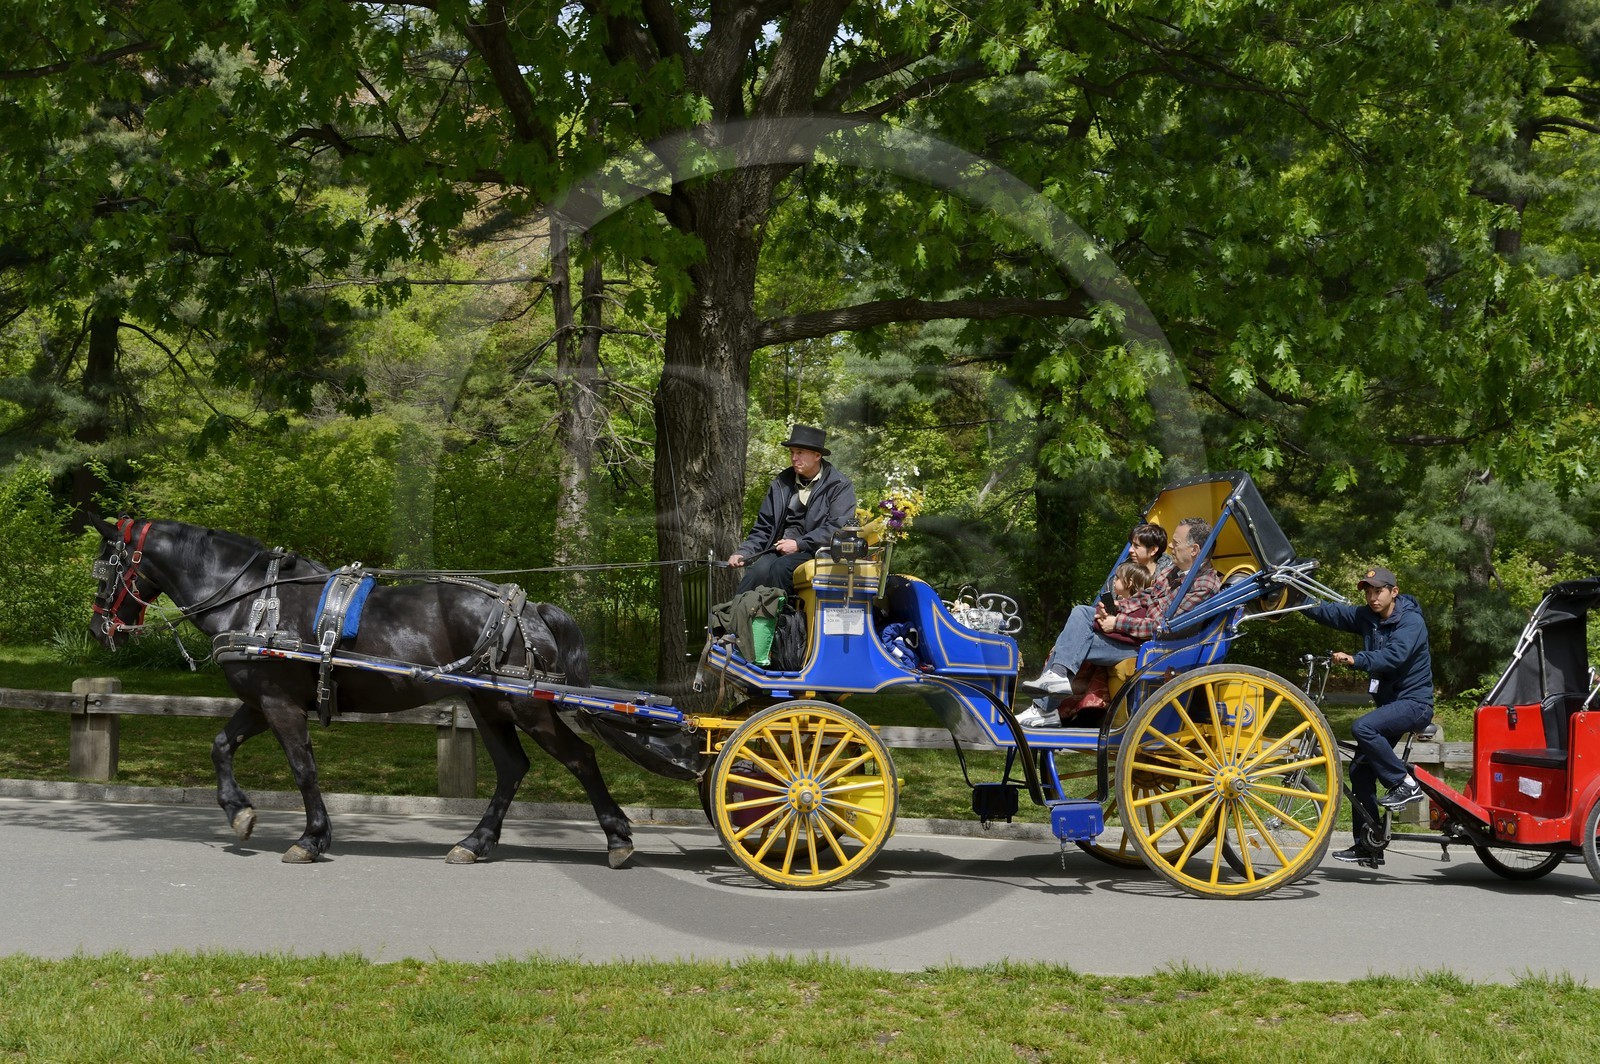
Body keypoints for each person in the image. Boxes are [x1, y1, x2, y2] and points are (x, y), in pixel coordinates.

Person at [1016, 517, 1222, 727]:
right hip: (1138, 637)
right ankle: (1055, 681)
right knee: (1082, 613)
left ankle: (1043, 709)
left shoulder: (1205, 584)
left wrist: (1117, 623)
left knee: (1072, 643)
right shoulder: (1174, 571)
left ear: (1195, 549)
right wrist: (1113, 609)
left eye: (1176, 543)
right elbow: (1146, 598)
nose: (1170, 546)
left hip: (1155, 649)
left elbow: (1161, 626)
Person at [1305, 565, 1434, 869]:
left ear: (1394, 592)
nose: (1373, 597)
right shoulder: (1368, 617)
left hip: (1414, 704)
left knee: (1362, 727)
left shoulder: (1411, 621)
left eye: (1379, 591)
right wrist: (1296, 600)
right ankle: (1368, 844)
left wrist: (1356, 659)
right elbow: (1332, 613)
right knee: (1361, 771)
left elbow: (1395, 656)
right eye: (1368, 592)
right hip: (1390, 706)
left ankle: (1404, 784)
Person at [727, 424, 857, 596]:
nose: (794, 458)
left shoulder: (839, 485)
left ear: (817, 455)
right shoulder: (781, 483)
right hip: (780, 550)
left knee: (781, 568)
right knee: (756, 571)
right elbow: (764, 527)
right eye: (792, 453)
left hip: (817, 552)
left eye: (800, 452)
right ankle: (737, 619)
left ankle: (781, 621)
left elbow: (840, 528)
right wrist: (744, 552)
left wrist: (799, 544)